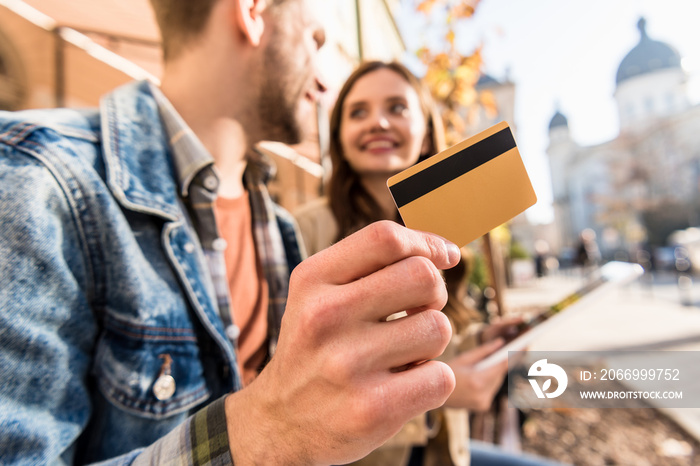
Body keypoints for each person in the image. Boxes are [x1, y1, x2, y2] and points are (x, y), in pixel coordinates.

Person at [0, 2, 463, 465]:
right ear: (254, 11)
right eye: (315, 41)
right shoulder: (37, 179)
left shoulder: (277, 227)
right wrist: (267, 427)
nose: (325, 83)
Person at [295, 61, 557, 466]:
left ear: (426, 132)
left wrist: (482, 343)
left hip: (444, 453)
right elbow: (303, 384)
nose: (378, 122)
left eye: (397, 107)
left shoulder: (445, 224)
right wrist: (444, 392)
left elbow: (432, 344)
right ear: (339, 137)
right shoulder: (305, 232)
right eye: (358, 112)